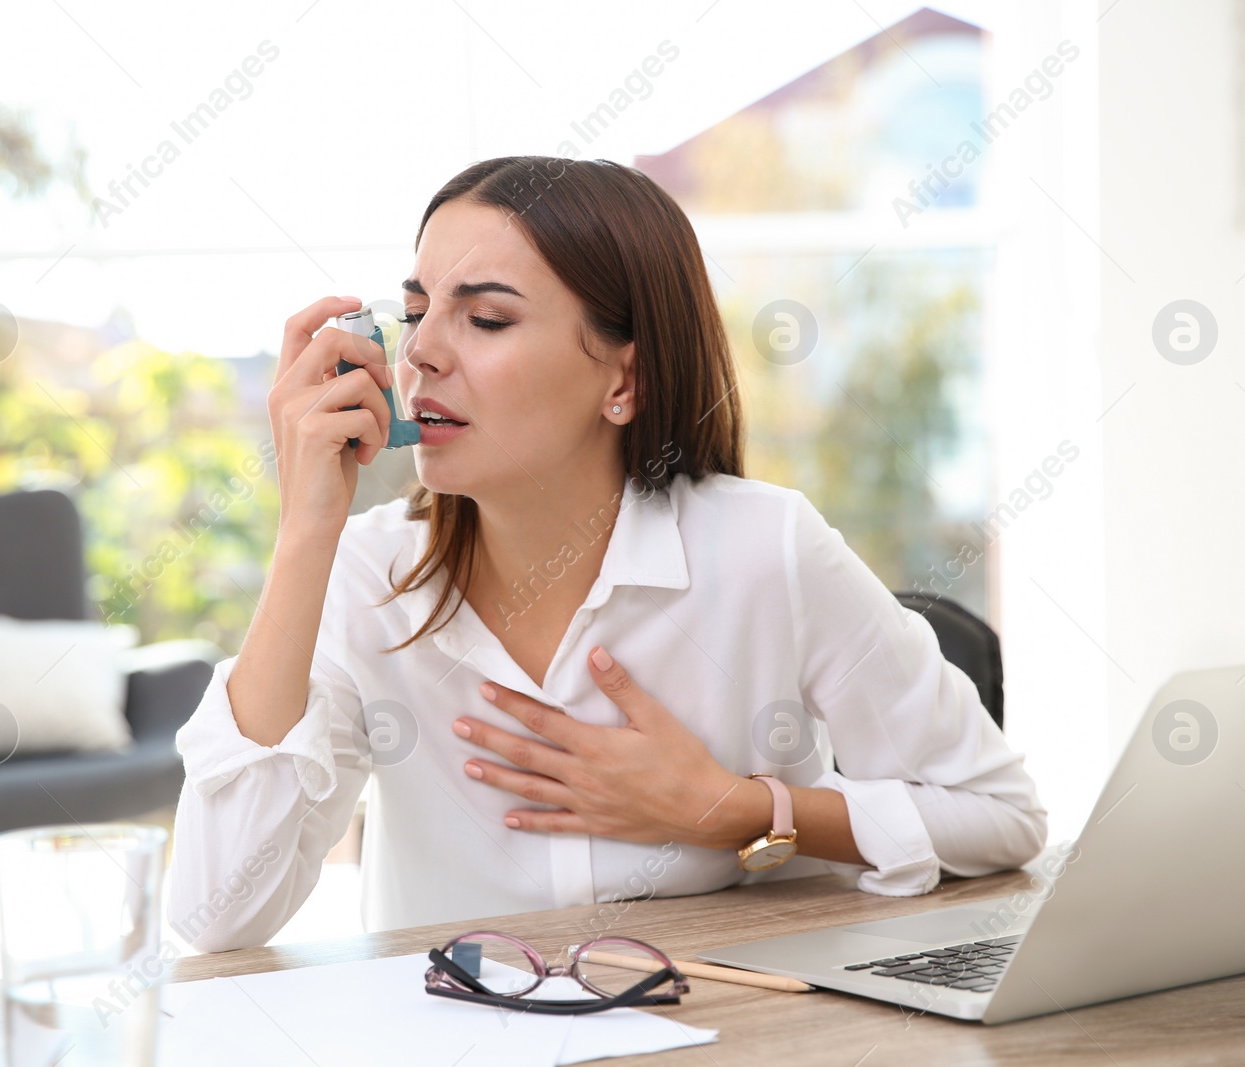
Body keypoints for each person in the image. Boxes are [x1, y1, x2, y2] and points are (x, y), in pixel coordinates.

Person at [166, 155, 1046, 953]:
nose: (421, 352)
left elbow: (1001, 817)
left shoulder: (765, 548)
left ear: (623, 380)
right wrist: (303, 537)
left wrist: (736, 810)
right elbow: (216, 916)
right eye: (416, 311)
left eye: (486, 317)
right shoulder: (365, 572)